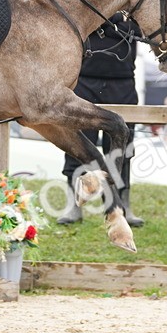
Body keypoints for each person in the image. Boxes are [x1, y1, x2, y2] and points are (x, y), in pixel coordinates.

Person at [58, 15, 142, 227]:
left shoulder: (134, 2)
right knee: (77, 145)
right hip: (85, 80)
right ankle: (74, 204)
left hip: (122, 83)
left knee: (121, 150)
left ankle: (123, 205)